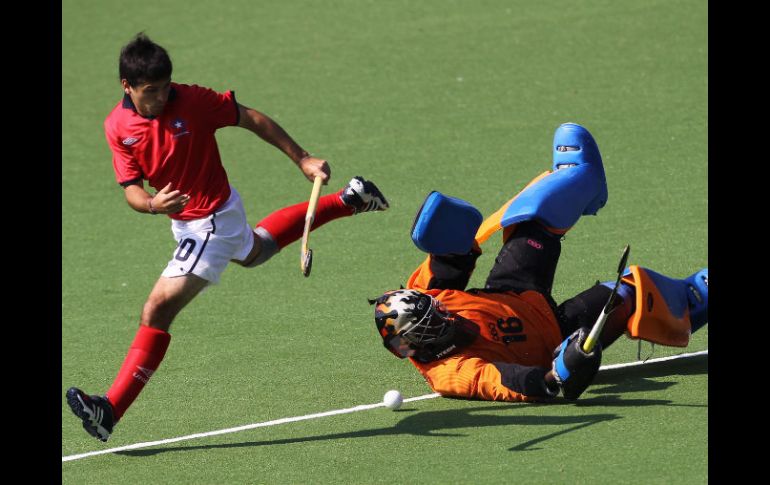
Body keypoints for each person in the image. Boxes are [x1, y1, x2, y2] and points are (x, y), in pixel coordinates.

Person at [66, 33, 390, 442]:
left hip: (211, 219)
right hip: (185, 221)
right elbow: (131, 187)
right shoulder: (118, 126)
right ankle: (351, 199)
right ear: (126, 86)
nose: (162, 98)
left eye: (166, 87)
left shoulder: (193, 101)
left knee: (157, 309)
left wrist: (302, 157)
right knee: (255, 251)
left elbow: (250, 118)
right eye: (151, 91)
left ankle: (109, 410)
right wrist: (151, 204)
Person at [372, 122, 708, 403]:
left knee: (533, 222)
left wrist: (449, 244)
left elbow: (452, 259)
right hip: (556, 335)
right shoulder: (453, 373)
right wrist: (558, 374)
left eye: (436, 308)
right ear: (421, 340)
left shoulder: (427, 295)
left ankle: (580, 179)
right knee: (629, 293)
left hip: (512, 293)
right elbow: (509, 382)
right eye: (434, 321)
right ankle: (694, 297)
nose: (445, 312)